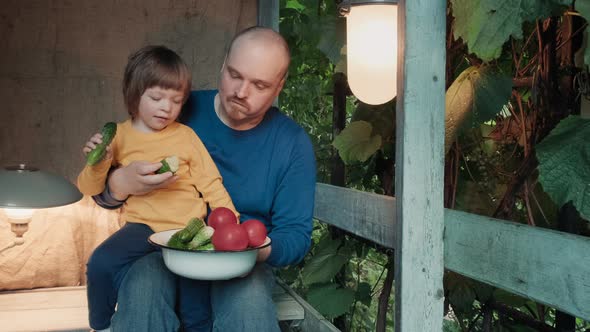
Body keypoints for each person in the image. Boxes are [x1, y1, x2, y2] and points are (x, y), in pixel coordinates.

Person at [93, 26, 316, 332]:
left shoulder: (291, 143)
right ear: (223, 64)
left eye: (259, 85)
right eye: (235, 75)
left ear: (280, 86)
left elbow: (296, 236)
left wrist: (248, 249)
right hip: (162, 243)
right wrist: (120, 183)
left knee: (248, 305)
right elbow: (105, 187)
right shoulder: (176, 108)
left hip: (240, 261)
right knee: (143, 289)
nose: (240, 92)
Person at [78, 45, 239, 332]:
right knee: (100, 263)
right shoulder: (119, 136)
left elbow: (211, 183)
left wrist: (230, 220)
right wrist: (99, 162)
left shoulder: (186, 136)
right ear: (133, 94)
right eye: (156, 97)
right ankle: (100, 325)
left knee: (195, 309)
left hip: (187, 231)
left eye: (176, 101)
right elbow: (89, 187)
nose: (166, 107)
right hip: (142, 228)